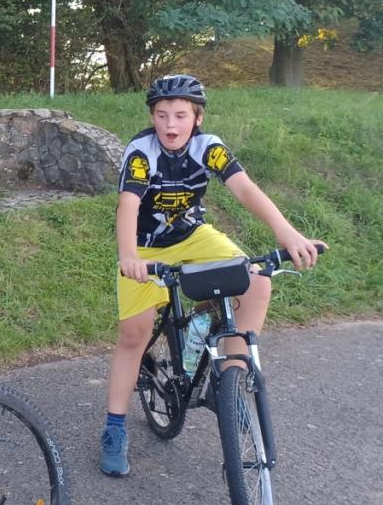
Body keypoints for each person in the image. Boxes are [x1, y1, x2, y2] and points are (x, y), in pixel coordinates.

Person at [102, 74, 322, 477]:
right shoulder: (141, 153)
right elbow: (128, 205)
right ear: (152, 117)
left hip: (193, 236)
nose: (170, 124)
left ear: (197, 118)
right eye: (162, 115)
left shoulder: (209, 147)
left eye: (180, 115)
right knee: (134, 334)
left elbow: (245, 189)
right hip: (145, 246)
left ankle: (230, 381)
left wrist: (287, 233)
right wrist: (129, 256)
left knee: (256, 281)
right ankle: (114, 427)